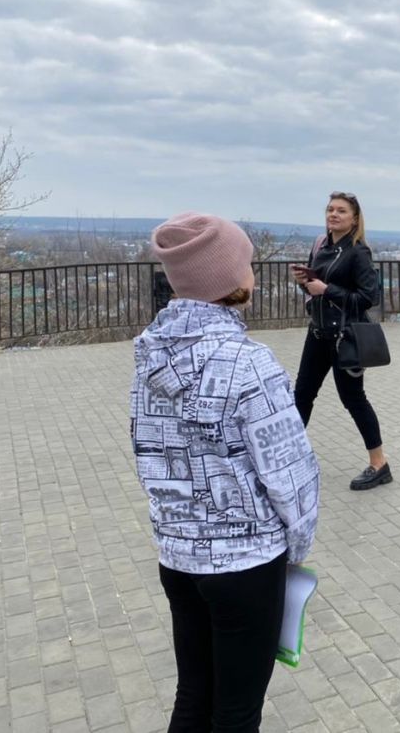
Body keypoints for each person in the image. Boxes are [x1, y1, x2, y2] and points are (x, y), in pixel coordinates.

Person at [132, 213, 320, 732]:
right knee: (237, 711)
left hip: (178, 557)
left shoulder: (148, 355)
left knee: (193, 695)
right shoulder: (250, 363)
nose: (254, 276)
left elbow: (144, 448)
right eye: (249, 266)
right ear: (230, 280)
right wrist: (296, 547)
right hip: (246, 563)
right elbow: (290, 474)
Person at [291, 191, 388, 491]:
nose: (333, 214)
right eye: (330, 209)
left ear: (354, 219)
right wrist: (306, 285)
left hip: (344, 339)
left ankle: (379, 464)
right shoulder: (321, 246)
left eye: (341, 211)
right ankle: (287, 458)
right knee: (302, 395)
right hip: (317, 333)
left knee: (353, 399)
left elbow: (367, 299)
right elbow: (315, 288)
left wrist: (326, 290)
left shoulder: (359, 252)